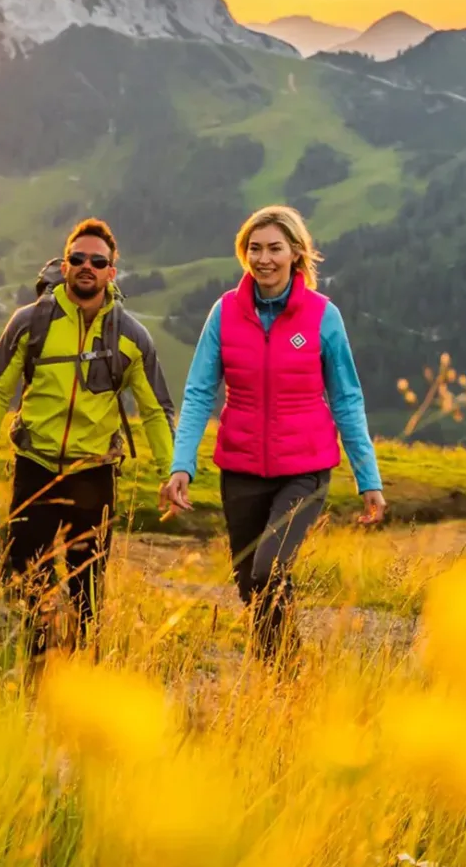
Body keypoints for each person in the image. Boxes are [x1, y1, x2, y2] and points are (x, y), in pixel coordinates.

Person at [160, 205, 385, 667]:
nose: (264, 259)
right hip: (240, 469)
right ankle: (279, 676)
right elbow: (200, 391)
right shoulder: (225, 313)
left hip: (305, 471)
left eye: (274, 248)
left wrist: (369, 479)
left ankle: (287, 672)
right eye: (254, 248)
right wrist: (182, 464)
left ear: (296, 254)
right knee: (250, 583)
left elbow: (347, 399)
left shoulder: (322, 316)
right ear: (244, 254)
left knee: (269, 569)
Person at [0, 217, 177, 664]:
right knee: (27, 575)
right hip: (35, 466)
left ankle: (83, 671)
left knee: (88, 582)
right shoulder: (30, 323)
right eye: (78, 258)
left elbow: (156, 409)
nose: (87, 266)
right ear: (64, 266)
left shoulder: (131, 336)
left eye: (97, 261)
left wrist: (170, 473)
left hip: (93, 472)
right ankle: (37, 664)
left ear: (111, 273)